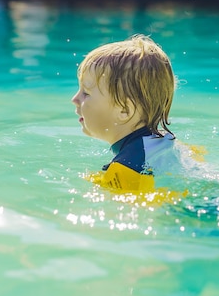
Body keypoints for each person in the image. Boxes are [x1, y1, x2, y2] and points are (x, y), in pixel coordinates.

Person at [71, 34, 180, 193]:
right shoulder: (168, 141)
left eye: (86, 93)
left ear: (124, 110)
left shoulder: (125, 169)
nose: (74, 99)